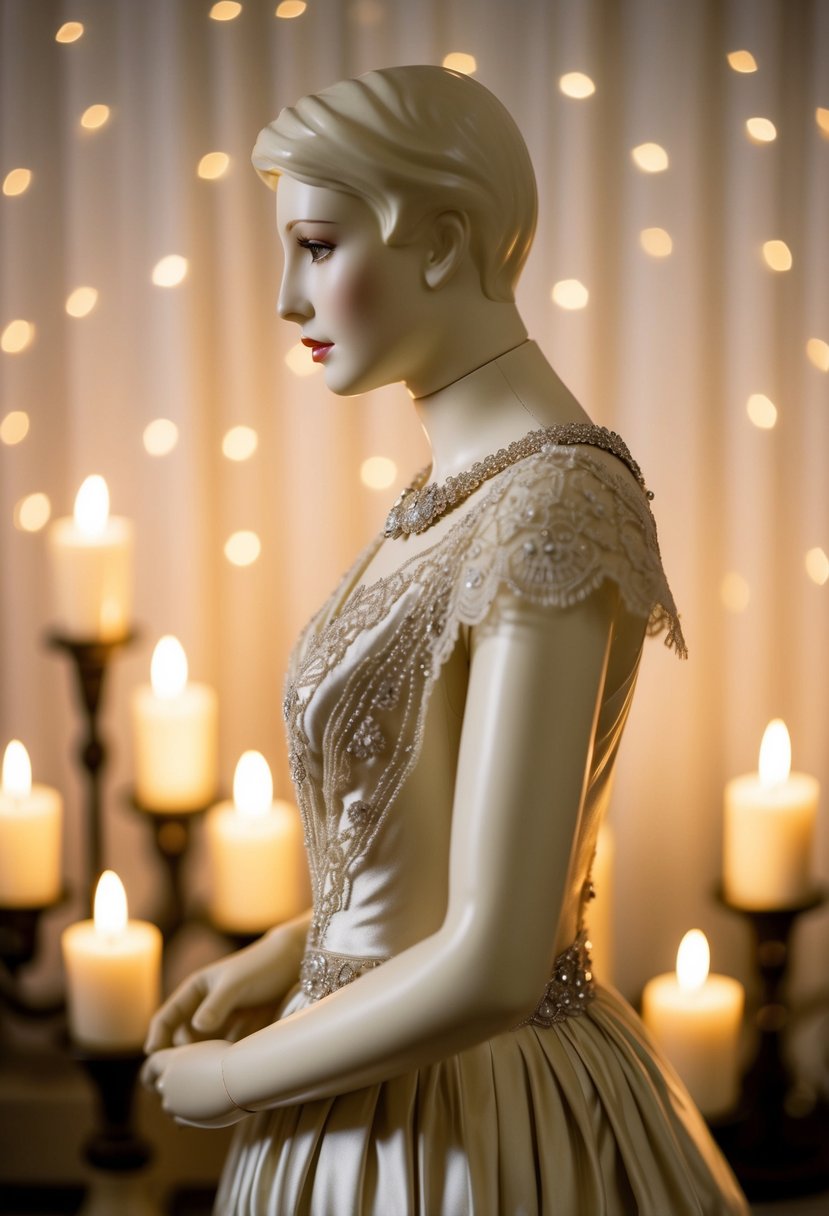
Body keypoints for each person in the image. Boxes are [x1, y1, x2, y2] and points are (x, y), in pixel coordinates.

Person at [143, 65, 748, 1215]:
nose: (285, 297)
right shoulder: (457, 490)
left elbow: (497, 958)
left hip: (469, 1121)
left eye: (317, 246)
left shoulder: (549, 504)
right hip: (369, 1075)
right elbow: (431, 848)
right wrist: (295, 948)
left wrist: (233, 1078)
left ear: (442, 241)